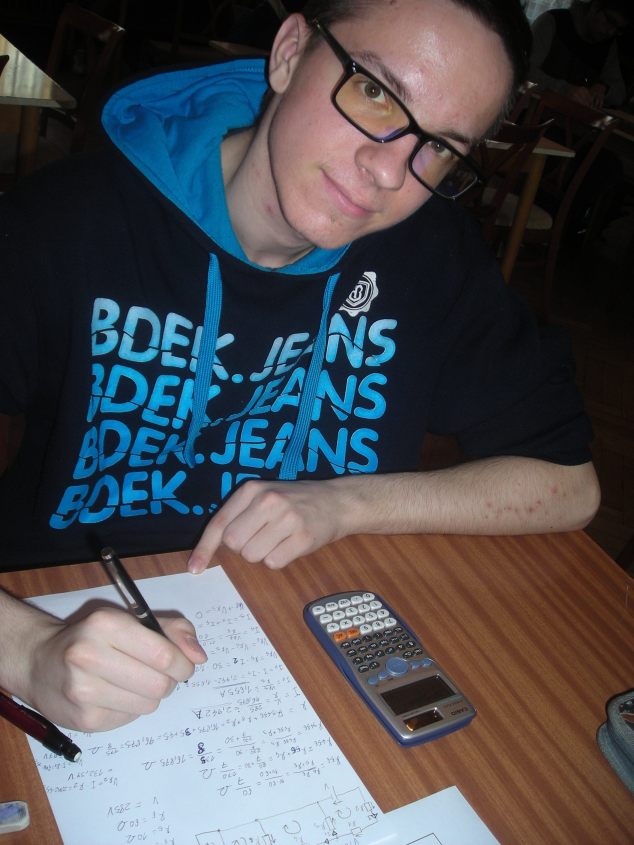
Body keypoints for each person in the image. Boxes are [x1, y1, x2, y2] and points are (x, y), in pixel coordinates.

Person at [0, 0, 600, 732]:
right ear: (289, 53)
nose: (388, 170)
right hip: (59, 622)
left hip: (310, 656)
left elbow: (569, 486)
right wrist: (27, 651)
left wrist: (347, 503)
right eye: (374, 92)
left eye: (439, 146)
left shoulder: (433, 258)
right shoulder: (63, 224)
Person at [529, 0, 632, 108]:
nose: (611, 32)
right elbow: (525, 71)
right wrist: (564, 89)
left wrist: (603, 88)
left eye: (618, 29)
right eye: (610, 21)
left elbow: (619, 93)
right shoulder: (552, 21)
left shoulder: (608, 46)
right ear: (595, 6)